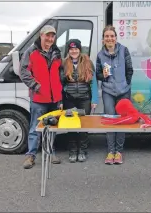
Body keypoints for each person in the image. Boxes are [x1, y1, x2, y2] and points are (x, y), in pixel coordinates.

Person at [20, 25, 63, 169]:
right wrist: (36, 86)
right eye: (47, 36)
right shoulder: (31, 51)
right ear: (41, 35)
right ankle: (30, 156)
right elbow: (24, 72)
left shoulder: (57, 52)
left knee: (51, 128)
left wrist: (60, 96)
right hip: (39, 98)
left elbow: (60, 75)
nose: (50, 39)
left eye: (52, 36)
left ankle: (50, 152)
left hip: (54, 99)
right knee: (35, 128)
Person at [96, 25, 134, 165]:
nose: (109, 38)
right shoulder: (100, 55)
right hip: (108, 92)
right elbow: (98, 74)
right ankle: (110, 151)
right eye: (107, 36)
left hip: (123, 91)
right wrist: (103, 76)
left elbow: (130, 70)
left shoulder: (124, 50)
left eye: (112, 36)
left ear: (116, 38)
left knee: (122, 120)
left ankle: (119, 152)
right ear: (103, 39)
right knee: (110, 120)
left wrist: (125, 84)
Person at [60, 39, 98, 163]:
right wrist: (60, 101)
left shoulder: (88, 62)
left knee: (83, 125)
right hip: (69, 99)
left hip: (85, 99)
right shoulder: (64, 64)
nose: (74, 51)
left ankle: (82, 150)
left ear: (80, 50)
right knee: (71, 126)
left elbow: (94, 83)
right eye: (71, 49)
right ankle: (72, 150)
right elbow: (60, 83)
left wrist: (94, 99)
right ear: (68, 51)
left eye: (76, 49)